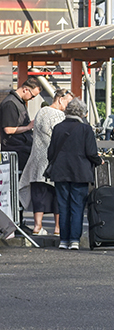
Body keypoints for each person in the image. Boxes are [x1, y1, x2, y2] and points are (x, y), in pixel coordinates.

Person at [46, 98, 101, 250]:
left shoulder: (57, 128)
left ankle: (63, 240)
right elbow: (91, 152)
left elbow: (50, 153)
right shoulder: (86, 129)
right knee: (77, 207)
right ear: (82, 113)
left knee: (63, 206)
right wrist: (99, 161)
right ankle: (74, 240)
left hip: (60, 172)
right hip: (80, 173)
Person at [20, 88, 70, 236]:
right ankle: (57, 228)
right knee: (57, 194)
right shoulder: (60, 116)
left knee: (39, 193)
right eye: (68, 102)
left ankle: (37, 226)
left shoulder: (41, 112)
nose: (68, 106)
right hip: (54, 160)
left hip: (37, 160)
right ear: (60, 99)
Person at [1, 76, 41, 173]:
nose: (32, 99)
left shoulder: (20, 102)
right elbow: (8, 129)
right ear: (25, 89)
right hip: (16, 149)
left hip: (22, 148)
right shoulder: (10, 103)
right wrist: (28, 127)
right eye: (32, 96)